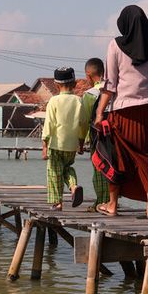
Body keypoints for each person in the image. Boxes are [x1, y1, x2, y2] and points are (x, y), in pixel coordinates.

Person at [94, 5, 148, 221]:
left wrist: (99, 113)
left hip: (123, 112)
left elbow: (110, 84)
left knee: (117, 157)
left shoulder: (115, 45)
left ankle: (112, 205)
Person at [42, 66, 85, 210]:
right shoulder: (79, 101)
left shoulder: (54, 101)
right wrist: (81, 142)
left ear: (56, 85)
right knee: (67, 168)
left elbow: (49, 124)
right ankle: (73, 186)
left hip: (56, 144)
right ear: (75, 83)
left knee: (54, 173)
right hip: (72, 145)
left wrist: (44, 145)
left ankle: (57, 203)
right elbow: (83, 124)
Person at [80, 57, 110, 210]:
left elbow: (84, 121)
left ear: (88, 75)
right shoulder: (112, 90)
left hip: (96, 139)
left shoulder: (89, 95)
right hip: (113, 138)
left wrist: (80, 142)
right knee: (112, 168)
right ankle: (112, 200)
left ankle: (101, 201)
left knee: (99, 169)